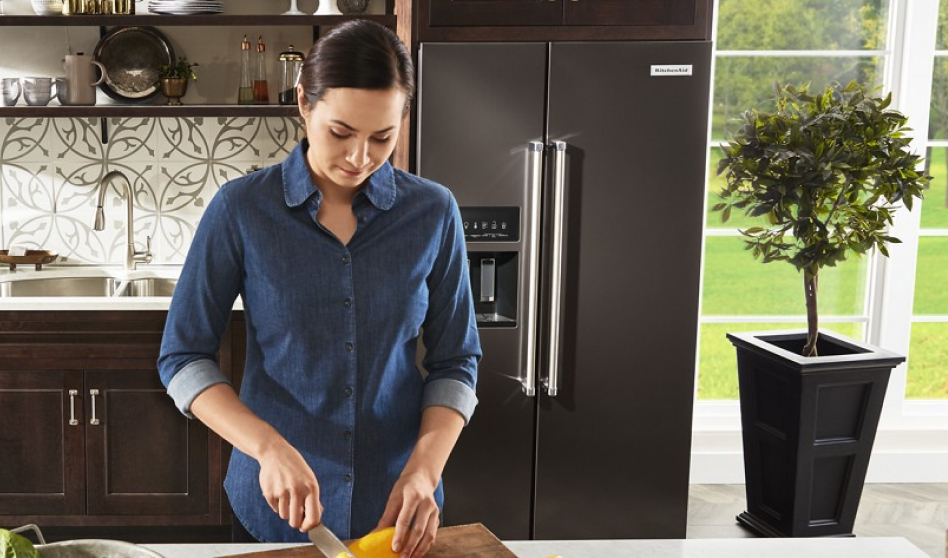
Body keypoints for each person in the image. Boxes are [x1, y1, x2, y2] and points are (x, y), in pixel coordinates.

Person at [157, 20, 480, 558]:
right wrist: (267, 448)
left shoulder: (433, 211)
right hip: (273, 511)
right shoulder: (241, 209)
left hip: (398, 511)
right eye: (341, 132)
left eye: (382, 137)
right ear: (304, 104)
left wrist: (425, 471)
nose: (360, 157)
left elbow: (457, 361)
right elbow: (183, 357)